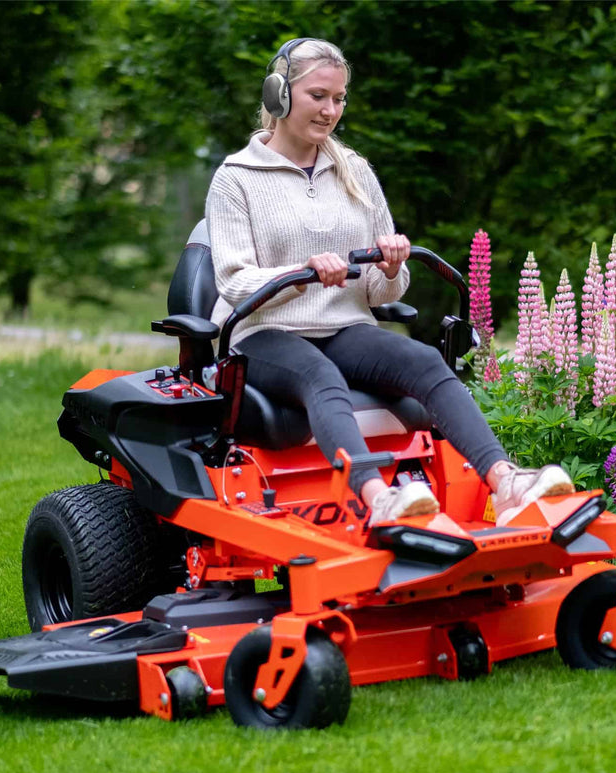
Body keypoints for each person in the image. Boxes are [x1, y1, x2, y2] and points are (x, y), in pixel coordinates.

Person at [205, 37, 574, 525]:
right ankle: (378, 499)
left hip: (342, 326)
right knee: (322, 379)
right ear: (280, 95)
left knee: (423, 360)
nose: (330, 110)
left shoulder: (354, 171)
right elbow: (234, 280)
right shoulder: (236, 178)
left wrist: (392, 266)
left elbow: (379, 296)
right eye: (318, 96)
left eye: (339, 99)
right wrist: (300, 274)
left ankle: (505, 481)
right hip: (262, 333)